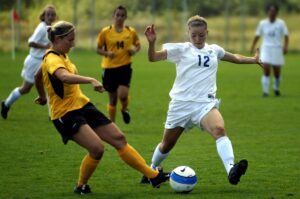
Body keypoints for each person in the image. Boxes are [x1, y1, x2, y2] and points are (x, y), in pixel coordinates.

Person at [34, 20, 169, 195]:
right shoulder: (52, 58)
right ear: (58, 39)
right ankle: (81, 185)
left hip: (82, 104)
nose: (73, 43)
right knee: (97, 149)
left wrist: (43, 95)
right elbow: (64, 77)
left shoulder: (59, 55)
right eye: (70, 40)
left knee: (119, 138)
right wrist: (90, 80)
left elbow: (38, 75)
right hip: (65, 113)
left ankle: (153, 176)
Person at [141, 15, 263, 186]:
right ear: (188, 33)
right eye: (194, 35)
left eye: (201, 35)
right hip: (180, 105)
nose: (198, 39)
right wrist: (152, 42)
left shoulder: (214, 50)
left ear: (207, 32)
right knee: (167, 144)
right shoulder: (181, 49)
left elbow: (235, 58)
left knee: (219, 129)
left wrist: (253, 59)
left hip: (204, 105)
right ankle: (151, 170)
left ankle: (231, 170)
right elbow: (153, 57)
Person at [1, 5, 56, 119]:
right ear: (43, 16)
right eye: (48, 14)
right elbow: (30, 42)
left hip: (44, 62)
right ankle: (6, 104)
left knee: (51, 86)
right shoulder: (41, 28)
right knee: (25, 89)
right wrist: (45, 46)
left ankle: (53, 115)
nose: (51, 16)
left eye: (53, 14)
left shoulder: (50, 27)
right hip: (34, 62)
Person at [96, 5, 140, 124]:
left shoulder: (131, 31)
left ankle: (124, 109)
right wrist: (106, 53)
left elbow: (138, 45)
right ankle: (112, 124)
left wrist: (134, 50)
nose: (119, 18)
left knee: (123, 95)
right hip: (109, 68)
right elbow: (98, 49)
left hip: (125, 67)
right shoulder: (106, 31)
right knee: (113, 99)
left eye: (122, 15)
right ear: (113, 16)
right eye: (117, 15)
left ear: (126, 17)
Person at [251, 3, 289, 97]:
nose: (272, 13)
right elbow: (257, 35)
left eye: (274, 11)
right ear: (267, 12)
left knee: (276, 72)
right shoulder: (263, 23)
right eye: (270, 11)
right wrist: (253, 46)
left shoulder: (281, 23)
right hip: (266, 48)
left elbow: (286, 36)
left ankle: (276, 88)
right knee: (266, 68)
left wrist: (286, 46)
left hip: (277, 48)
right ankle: (265, 92)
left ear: (276, 13)